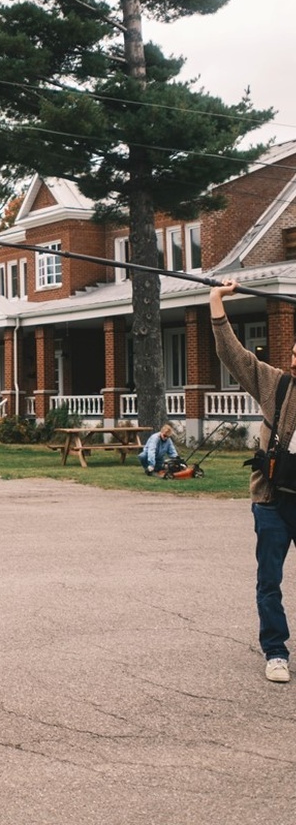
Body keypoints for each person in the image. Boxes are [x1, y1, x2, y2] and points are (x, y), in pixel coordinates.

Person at [210, 278, 296, 683]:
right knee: (269, 581)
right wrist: (216, 299)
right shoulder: (275, 384)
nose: (294, 359)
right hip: (272, 501)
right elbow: (233, 355)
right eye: (293, 352)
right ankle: (276, 651)